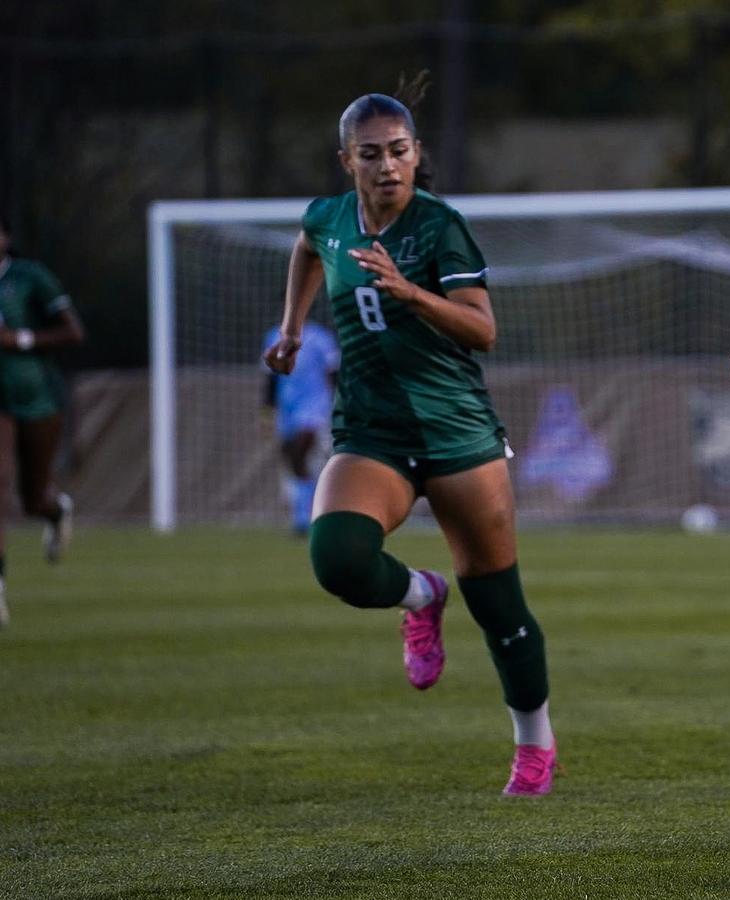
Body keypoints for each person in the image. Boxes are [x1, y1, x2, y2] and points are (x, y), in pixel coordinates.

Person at [264, 89, 556, 795]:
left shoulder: (440, 228)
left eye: (400, 151)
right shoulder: (329, 219)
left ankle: (534, 743)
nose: (388, 165)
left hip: (458, 434)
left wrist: (410, 292)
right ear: (347, 162)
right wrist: (294, 328)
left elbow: (483, 331)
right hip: (372, 434)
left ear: (416, 154)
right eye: (371, 154)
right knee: (335, 557)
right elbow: (307, 246)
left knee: (499, 607)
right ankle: (421, 595)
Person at [0, 216, 86, 628]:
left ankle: (55, 512)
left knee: (32, 497)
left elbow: (73, 332)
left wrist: (22, 339)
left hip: (36, 396)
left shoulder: (28, 277)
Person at [261, 320, 338, 536]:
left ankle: (311, 516)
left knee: (301, 452)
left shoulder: (321, 337)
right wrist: (266, 411)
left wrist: (340, 405)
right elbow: (270, 378)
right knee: (293, 461)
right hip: (287, 407)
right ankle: (303, 517)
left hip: (315, 405)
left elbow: (333, 373)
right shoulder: (272, 337)